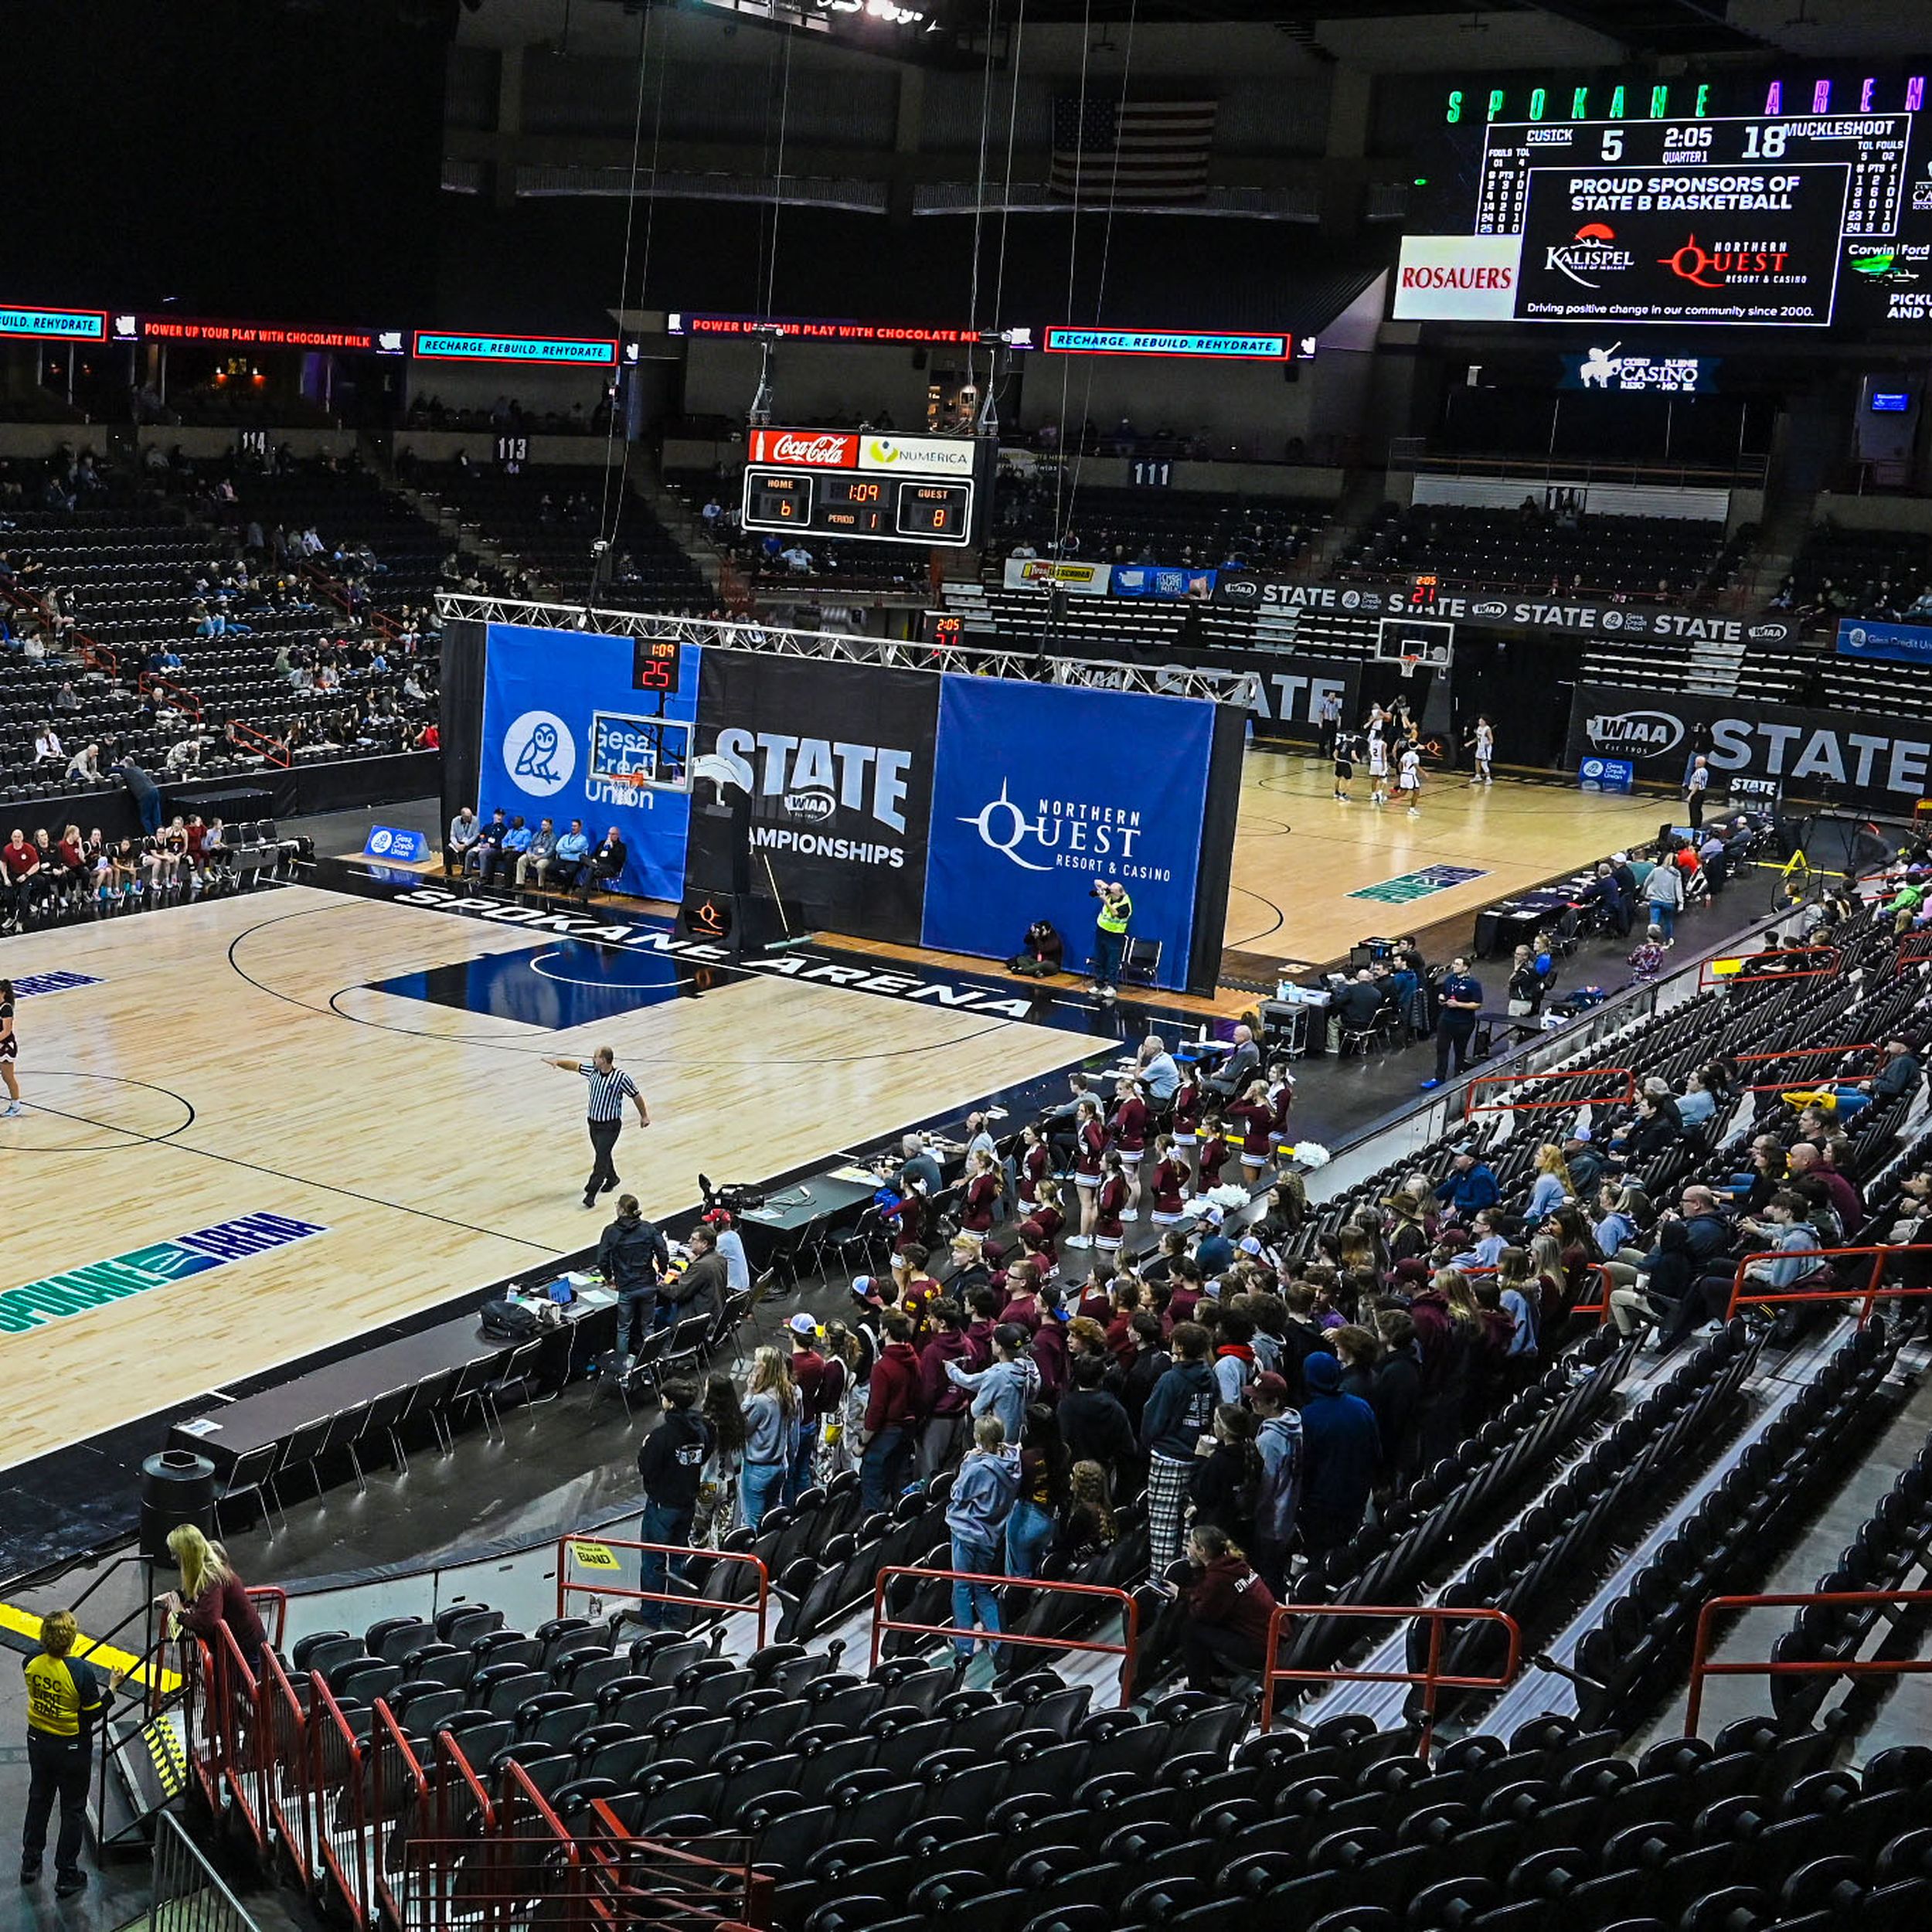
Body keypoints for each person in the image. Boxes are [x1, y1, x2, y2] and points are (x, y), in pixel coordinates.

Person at [21, 1609, 117, 1898]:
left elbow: (40, 1652)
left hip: (38, 1740)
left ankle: (30, 1861)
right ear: (71, 1641)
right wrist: (112, 1688)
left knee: (39, 1798)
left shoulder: (31, 1661)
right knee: (72, 1809)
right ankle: (66, 1873)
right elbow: (93, 1714)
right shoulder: (81, 1672)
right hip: (71, 1748)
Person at [1140, 1321, 1216, 1572]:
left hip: (1169, 1459)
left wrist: (1151, 1443)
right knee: (1187, 1528)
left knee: (1163, 1530)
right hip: (1198, 1458)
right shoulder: (1211, 1376)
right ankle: (1185, 1581)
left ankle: (1161, 1586)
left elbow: (1153, 1421)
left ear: (1180, 1347)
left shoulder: (1171, 1379)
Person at [944, 1416, 1020, 1662]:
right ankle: (999, 1645)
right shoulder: (1012, 1460)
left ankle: (964, 1647)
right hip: (992, 1533)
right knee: (982, 1589)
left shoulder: (977, 1467)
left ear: (979, 1438)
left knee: (962, 1588)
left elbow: (957, 1493)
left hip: (967, 1533)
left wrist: (968, 1463)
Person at [635, 1379, 711, 1627]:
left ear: (670, 1403)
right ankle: (677, 1614)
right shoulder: (702, 1429)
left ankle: (651, 1615)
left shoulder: (661, 1437)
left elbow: (647, 1468)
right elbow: (705, 1454)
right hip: (687, 1503)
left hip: (662, 1507)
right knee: (678, 1560)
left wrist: (645, 1448)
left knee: (654, 1562)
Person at [1296, 1352, 1380, 1555]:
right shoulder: (1361, 1406)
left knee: (1320, 1553)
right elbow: (1375, 1450)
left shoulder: (1309, 1417)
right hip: (1357, 1494)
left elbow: (1305, 1466)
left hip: (1323, 1501)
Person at [1178, 1524, 1278, 1692]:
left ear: (1201, 1550)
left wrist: (1187, 1586)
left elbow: (1200, 1613)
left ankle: (1200, 1689)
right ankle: (1219, 1676)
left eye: (1190, 1544)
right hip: (1274, 1638)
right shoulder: (1236, 1564)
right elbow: (1212, 1596)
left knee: (1190, 1629)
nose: (1187, 1546)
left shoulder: (1218, 1578)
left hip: (1260, 1650)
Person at [546, 1047, 651, 1208]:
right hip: (593, 1124)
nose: (593, 1058)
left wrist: (644, 1116)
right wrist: (558, 1062)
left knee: (600, 1160)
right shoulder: (593, 1071)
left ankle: (591, 1193)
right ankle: (613, 1178)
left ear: (604, 1059)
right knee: (603, 1153)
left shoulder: (620, 1078)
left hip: (610, 1126)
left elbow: (636, 1095)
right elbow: (575, 1066)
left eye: (596, 1056)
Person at [158, 1526, 267, 1670]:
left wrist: (180, 1615)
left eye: (175, 1553)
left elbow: (208, 1622)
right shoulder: (208, 1567)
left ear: (186, 1555)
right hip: (241, 1643)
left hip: (244, 1648)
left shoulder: (212, 1577)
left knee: (243, 1689)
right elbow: (200, 1593)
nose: (173, 1558)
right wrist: (179, 1595)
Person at [862, 1310, 924, 1511]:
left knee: (872, 1478)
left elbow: (876, 1409)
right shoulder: (913, 1358)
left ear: (886, 1331)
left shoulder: (883, 1367)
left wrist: (863, 1442)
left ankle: (875, 1526)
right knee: (900, 1478)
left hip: (887, 1432)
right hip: (908, 1427)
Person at [597, 1192, 670, 1359]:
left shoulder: (611, 1232)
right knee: (648, 1327)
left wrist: (608, 1278)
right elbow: (662, 1251)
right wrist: (663, 1270)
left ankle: (623, 1368)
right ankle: (650, 1363)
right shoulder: (647, 1228)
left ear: (622, 1210)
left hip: (627, 1287)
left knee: (623, 1329)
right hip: (648, 1285)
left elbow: (602, 1259)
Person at [740, 1347, 799, 1530]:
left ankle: (755, 1557)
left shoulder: (760, 1401)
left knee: (752, 1523)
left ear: (765, 1368)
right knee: (772, 1518)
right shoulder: (786, 1393)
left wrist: (749, 1393)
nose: (754, 1366)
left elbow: (743, 1429)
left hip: (758, 1468)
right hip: (779, 1465)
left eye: (757, 1363)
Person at [1422, 957, 1482, 1090]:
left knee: (1460, 1051)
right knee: (1442, 1050)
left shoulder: (1473, 984)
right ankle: (1439, 1078)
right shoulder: (1450, 979)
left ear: (1465, 967)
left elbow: (1477, 1004)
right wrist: (1441, 998)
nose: (1454, 966)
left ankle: (1458, 1076)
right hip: (1446, 1020)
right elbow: (1444, 992)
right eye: (1454, 963)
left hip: (1463, 1023)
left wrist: (1458, 1004)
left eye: (1457, 964)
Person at [1092, 879, 1133, 997]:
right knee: (1099, 959)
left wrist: (1105, 900)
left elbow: (1115, 913)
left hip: (1115, 935)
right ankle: (1099, 985)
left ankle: (1112, 987)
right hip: (1101, 931)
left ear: (1120, 893)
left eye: (1112, 893)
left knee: (1112, 962)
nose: (1110, 894)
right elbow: (1096, 881)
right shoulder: (1112, 892)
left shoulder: (1126, 905)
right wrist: (1106, 887)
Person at [0, 980, 18, 1119]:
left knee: (8, 1077)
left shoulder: (6, 1008)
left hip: (6, 1046)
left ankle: (16, 1105)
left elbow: (6, 1031)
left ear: (3, 993)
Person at [1396, 740, 1423, 818]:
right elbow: (1416, 766)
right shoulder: (1415, 756)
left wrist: (1402, 773)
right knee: (1416, 792)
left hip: (1404, 775)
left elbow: (1399, 764)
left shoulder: (1405, 754)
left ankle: (1384, 798)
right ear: (1417, 747)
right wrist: (1424, 773)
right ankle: (1412, 810)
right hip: (1410, 776)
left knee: (1402, 793)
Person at [1684, 756, 1710, 831]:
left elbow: (1697, 785)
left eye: (1696, 762)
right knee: (1698, 810)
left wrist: (1690, 796)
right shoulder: (1705, 771)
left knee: (1694, 810)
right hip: (1702, 793)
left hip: (1697, 793)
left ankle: (1693, 827)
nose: (1695, 763)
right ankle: (1698, 826)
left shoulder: (1699, 772)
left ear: (1699, 763)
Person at [1471, 715, 1495, 784]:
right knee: (1477, 762)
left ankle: (1489, 779)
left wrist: (1487, 744)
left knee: (1484, 764)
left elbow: (1491, 740)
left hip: (1486, 749)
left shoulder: (1487, 729)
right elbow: (1478, 739)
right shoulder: (1479, 728)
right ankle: (1478, 776)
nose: (1479, 722)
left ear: (1485, 722)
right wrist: (1469, 743)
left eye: (1481, 721)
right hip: (1480, 748)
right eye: (1479, 721)